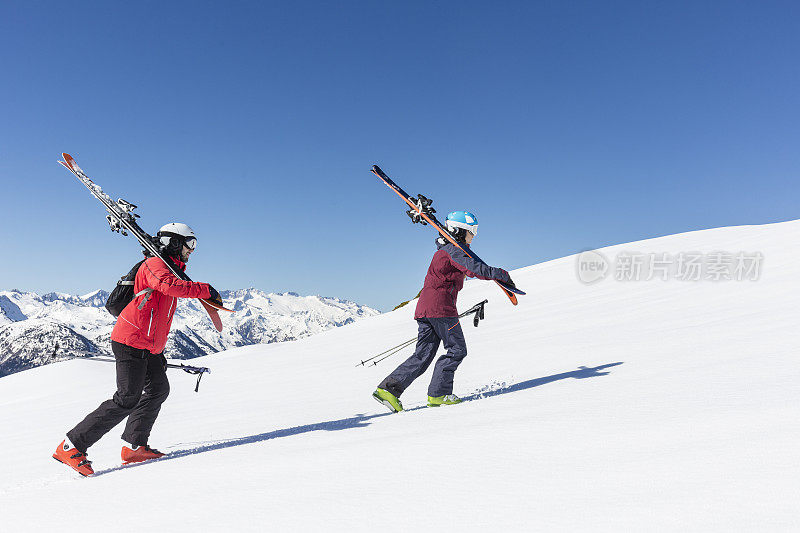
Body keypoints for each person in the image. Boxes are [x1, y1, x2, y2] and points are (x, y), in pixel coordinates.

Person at [53, 223, 221, 476]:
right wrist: (204, 289)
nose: (192, 250)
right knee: (126, 399)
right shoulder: (155, 265)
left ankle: (134, 447)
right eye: (190, 243)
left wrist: (158, 350)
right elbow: (169, 287)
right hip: (129, 341)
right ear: (175, 243)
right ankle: (72, 445)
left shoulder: (170, 268)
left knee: (158, 389)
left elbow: (158, 314)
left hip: (148, 345)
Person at [372, 211, 514, 413]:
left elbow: (467, 268)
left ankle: (388, 390)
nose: (473, 236)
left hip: (425, 308)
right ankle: (439, 394)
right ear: (459, 231)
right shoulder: (454, 251)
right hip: (442, 309)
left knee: (422, 355)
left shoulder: (444, 251)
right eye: (472, 232)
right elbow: (474, 269)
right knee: (457, 349)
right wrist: (501, 274)